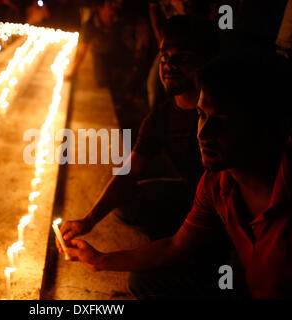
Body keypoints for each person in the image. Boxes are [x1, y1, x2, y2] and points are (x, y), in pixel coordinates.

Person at [59, 50, 292, 299]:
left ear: (272, 128)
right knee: (146, 280)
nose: (204, 134)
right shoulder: (217, 182)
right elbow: (174, 246)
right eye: (202, 116)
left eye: (224, 121)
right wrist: (98, 260)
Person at [58, 15, 232, 298]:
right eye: (164, 57)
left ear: (205, 61)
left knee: (145, 281)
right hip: (199, 198)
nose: (169, 67)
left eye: (183, 58)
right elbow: (128, 172)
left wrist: (102, 261)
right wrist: (88, 221)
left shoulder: (227, 125)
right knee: (129, 199)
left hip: (228, 223)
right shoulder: (161, 117)